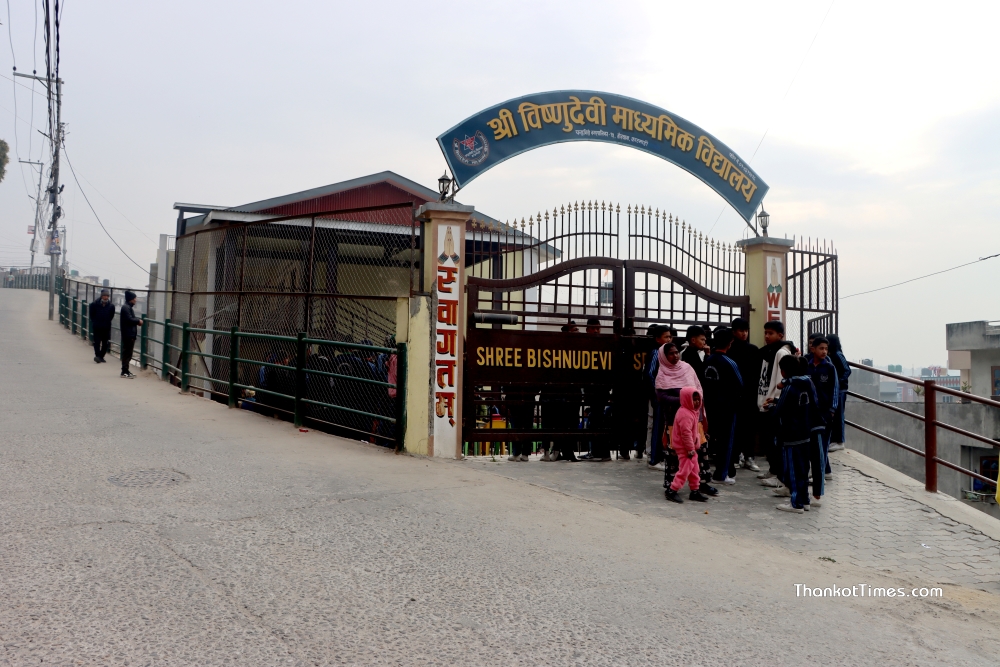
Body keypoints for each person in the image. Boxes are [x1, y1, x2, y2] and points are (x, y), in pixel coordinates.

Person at [772, 355, 825, 513]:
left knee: (793, 470)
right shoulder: (808, 383)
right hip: (805, 432)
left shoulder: (789, 388)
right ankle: (805, 500)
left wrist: (772, 408)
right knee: (803, 469)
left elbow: (780, 410)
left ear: (783, 371)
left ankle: (796, 503)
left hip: (791, 434)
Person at [757, 321, 797, 488]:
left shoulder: (781, 352)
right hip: (765, 399)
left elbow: (781, 380)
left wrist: (774, 400)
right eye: (765, 333)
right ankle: (774, 470)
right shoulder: (769, 351)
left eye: (771, 333)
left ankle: (778, 473)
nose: (767, 336)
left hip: (773, 403)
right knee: (767, 440)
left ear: (780, 335)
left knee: (774, 441)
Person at [703, 328, 743, 484]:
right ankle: (721, 474)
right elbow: (740, 385)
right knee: (727, 442)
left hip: (710, 406)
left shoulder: (708, 360)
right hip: (727, 408)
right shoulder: (729, 362)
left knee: (715, 440)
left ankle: (717, 471)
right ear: (730, 343)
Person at [664, 388, 711, 503]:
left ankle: (695, 490)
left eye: (698, 399)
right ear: (687, 399)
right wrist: (690, 449)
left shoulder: (692, 412)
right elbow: (686, 434)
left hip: (691, 448)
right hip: (685, 449)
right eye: (694, 399)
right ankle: (672, 490)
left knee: (694, 470)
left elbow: (693, 431)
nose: (697, 402)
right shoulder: (685, 414)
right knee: (684, 471)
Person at [728, 317, 760, 473]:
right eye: (741, 330)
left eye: (746, 330)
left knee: (750, 427)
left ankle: (749, 457)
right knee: (736, 428)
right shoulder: (729, 350)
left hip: (750, 395)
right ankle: (736, 456)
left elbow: (758, 373)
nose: (744, 334)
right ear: (734, 332)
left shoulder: (753, 350)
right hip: (734, 395)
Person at [806, 336, 839, 481]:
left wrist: (832, 410)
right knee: (811, 444)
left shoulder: (830, 368)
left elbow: (835, 389)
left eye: (826, 349)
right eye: (821, 348)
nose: (824, 351)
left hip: (824, 413)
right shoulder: (806, 366)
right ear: (813, 349)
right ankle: (822, 471)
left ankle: (820, 475)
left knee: (823, 444)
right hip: (809, 412)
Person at [642, 324, 674, 466]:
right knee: (656, 425)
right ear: (657, 339)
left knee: (659, 425)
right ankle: (654, 458)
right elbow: (649, 374)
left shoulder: (664, 354)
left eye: (670, 337)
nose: (669, 339)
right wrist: (656, 392)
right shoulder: (656, 353)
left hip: (662, 395)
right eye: (666, 337)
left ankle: (655, 454)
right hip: (657, 395)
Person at [826, 334, 851, 452]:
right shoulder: (831, 355)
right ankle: (834, 440)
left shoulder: (838, 355)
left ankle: (840, 441)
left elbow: (847, 370)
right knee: (834, 415)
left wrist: (839, 381)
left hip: (840, 390)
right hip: (835, 389)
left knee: (839, 415)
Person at [119, 291, 143, 379]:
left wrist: (136, 321)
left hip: (129, 333)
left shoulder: (128, 307)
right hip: (128, 334)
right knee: (127, 353)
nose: (135, 300)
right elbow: (129, 319)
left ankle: (126, 370)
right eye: (134, 298)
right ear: (130, 299)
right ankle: (124, 371)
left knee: (128, 353)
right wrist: (138, 321)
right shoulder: (126, 308)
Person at [88, 288, 115, 363]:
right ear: (101, 296)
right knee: (97, 342)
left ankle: (101, 356)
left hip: (106, 327)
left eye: (107, 296)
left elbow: (111, 316)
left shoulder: (111, 306)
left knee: (105, 343)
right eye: (104, 296)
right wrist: (95, 322)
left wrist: (107, 321)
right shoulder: (94, 304)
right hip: (97, 326)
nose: (106, 297)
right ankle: (97, 356)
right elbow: (92, 315)